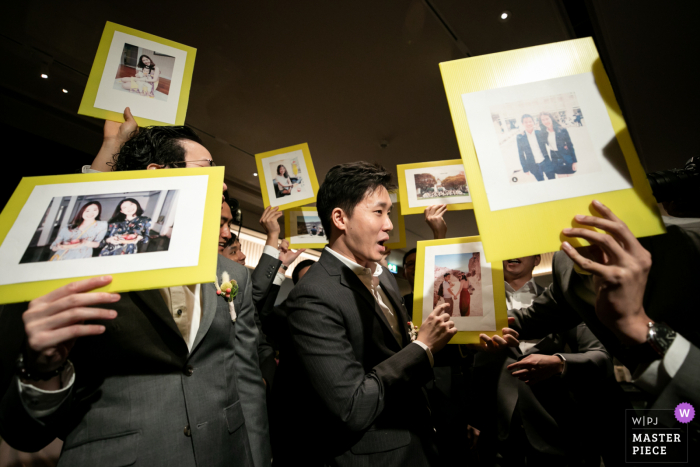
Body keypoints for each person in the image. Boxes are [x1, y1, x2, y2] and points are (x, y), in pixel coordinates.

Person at [0, 120, 270, 467]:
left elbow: (246, 382)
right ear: (159, 174)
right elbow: (23, 433)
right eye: (207, 169)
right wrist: (43, 370)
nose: (222, 183)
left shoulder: (232, 276)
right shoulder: (84, 267)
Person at [271, 161, 459, 466]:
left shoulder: (384, 276)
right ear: (340, 218)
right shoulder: (314, 295)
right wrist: (421, 347)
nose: (389, 225)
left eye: (389, 214)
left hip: (418, 440)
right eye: (378, 212)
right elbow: (351, 406)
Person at [509, 200, 700, 443]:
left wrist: (636, 324)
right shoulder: (565, 261)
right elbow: (536, 317)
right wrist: (475, 322)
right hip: (657, 405)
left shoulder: (687, 242)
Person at [473, 253, 623, 466]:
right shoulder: (475, 307)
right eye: (506, 247)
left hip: (558, 427)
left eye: (521, 248)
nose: (513, 253)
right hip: (495, 434)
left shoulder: (565, 298)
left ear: (537, 259)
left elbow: (600, 357)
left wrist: (560, 363)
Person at [401, 204, 448, 319]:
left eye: (421, 263)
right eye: (411, 264)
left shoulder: (443, 296)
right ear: (404, 273)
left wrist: (439, 234)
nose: (417, 267)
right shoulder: (399, 303)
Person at [516, 114, 554, 182]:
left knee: (553, 180)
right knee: (541, 182)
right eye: (526, 122)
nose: (528, 123)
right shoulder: (520, 137)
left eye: (530, 121)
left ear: (533, 122)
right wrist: (525, 168)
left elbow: (551, 142)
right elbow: (520, 153)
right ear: (522, 124)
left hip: (546, 162)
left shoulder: (540, 133)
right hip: (533, 165)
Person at [539, 111, 577, 177]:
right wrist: (523, 133)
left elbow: (570, 145)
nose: (545, 121)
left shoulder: (562, 130)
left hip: (566, 156)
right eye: (543, 120)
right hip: (555, 158)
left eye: (547, 119)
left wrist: (574, 162)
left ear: (551, 118)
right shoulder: (543, 133)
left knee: (571, 178)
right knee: (562, 179)